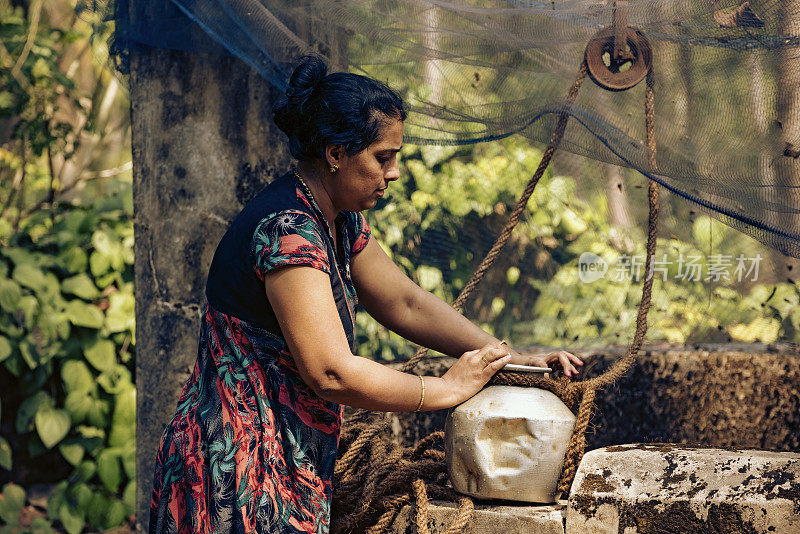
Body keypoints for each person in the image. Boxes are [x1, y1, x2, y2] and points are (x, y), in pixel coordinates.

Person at [149, 55, 583, 534]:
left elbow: (403, 301)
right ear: (336, 153)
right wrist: (442, 390)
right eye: (382, 157)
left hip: (286, 458)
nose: (393, 173)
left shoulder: (338, 218)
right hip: (239, 469)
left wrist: (507, 358)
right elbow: (331, 371)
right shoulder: (288, 230)